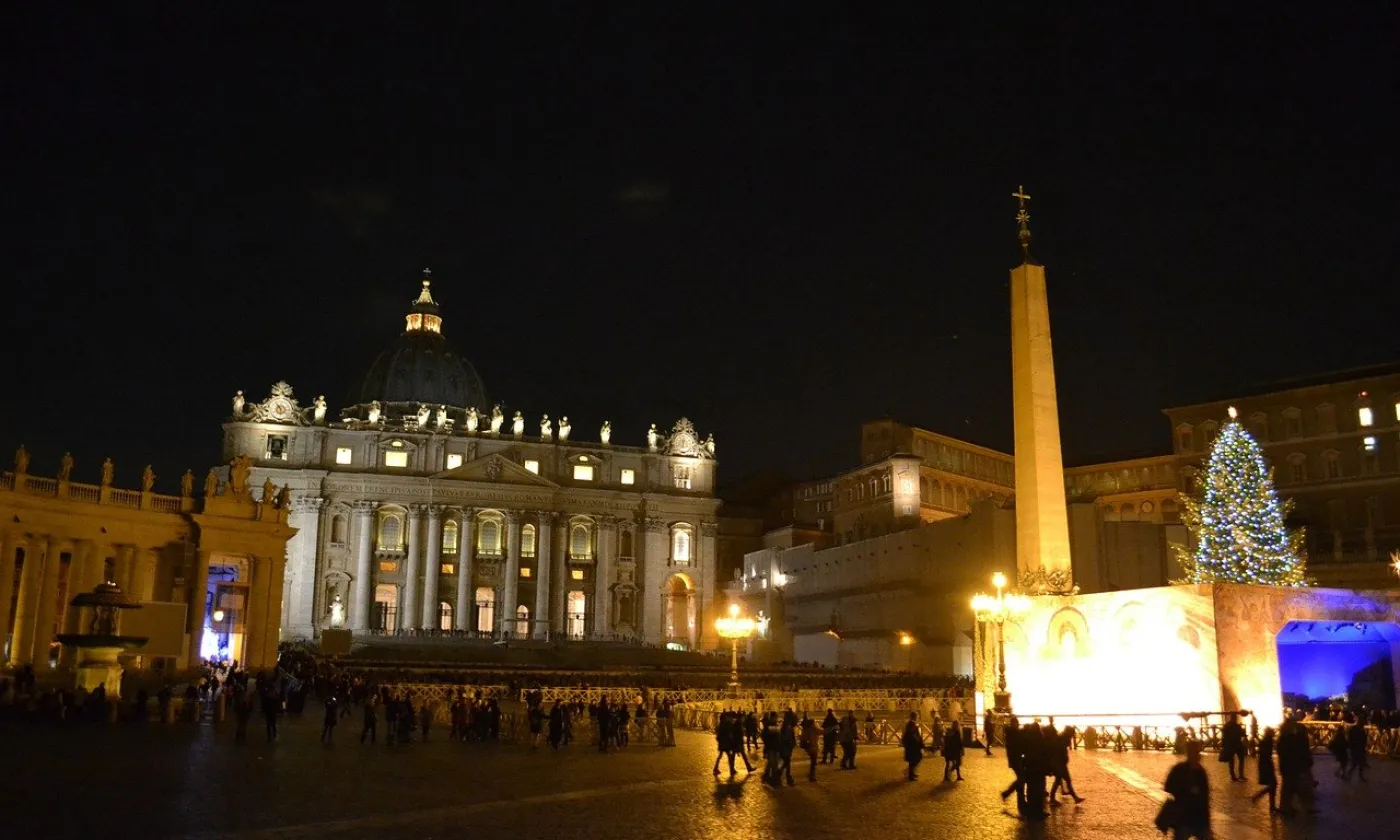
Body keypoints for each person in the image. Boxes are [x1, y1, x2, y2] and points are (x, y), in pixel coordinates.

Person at [1162, 741, 1211, 839]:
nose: (1198, 755)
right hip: (1184, 816)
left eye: (1198, 752)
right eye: (1195, 752)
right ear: (1190, 753)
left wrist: (1207, 820)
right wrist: (1187, 789)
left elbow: (1205, 796)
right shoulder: (1179, 769)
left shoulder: (1201, 771)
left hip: (1199, 817)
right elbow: (1168, 786)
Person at [1251, 726, 1278, 812]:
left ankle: (1271, 806)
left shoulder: (1265, 741)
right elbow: (1265, 754)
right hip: (1266, 765)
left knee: (1272, 785)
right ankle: (1258, 797)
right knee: (1273, 785)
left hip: (1264, 764)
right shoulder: (1267, 741)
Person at [1220, 713, 1247, 781]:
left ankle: (1233, 776)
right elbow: (1242, 734)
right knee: (1241, 759)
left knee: (1231, 761)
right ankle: (1241, 775)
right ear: (1235, 718)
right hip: (1237, 745)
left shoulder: (1227, 725)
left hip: (1230, 745)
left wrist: (1224, 744)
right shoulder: (1237, 726)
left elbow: (1223, 734)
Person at [901, 712, 924, 781]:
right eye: (917, 716)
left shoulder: (912, 724)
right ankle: (910, 775)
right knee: (914, 760)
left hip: (913, 745)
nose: (918, 718)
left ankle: (912, 773)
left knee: (915, 759)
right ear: (914, 717)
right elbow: (911, 734)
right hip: (912, 745)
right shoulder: (911, 724)